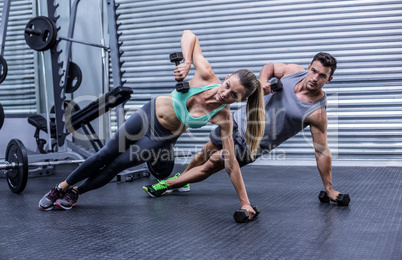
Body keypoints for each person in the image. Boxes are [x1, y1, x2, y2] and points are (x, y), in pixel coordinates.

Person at [38, 30, 265, 212]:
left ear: (241, 99)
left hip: (161, 138)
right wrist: (187, 62)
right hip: (147, 115)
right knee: (105, 154)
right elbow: (189, 35)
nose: (225, 94)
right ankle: (60, 188)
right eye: (228, 86)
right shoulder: (205, 75)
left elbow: (231, 163)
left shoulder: (223, 118)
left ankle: (75, 192)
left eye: (234, 95)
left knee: (117, 165)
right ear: (226, 79)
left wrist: (244, 202)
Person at [145, 52, 343, 220]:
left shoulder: (317, 113)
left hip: (252, 144)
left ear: (330, 80)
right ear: (309, 67)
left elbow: (322, 151)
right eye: (314, 71)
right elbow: (270, 66)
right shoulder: (293, 72)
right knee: (206, 151)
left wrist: (330, 188)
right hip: (237, 122)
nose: (315, 78)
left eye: (322, 76)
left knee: (213, 162)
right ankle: (183, 181)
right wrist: (264, 81)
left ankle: (166, 184)